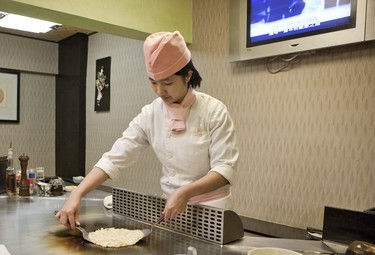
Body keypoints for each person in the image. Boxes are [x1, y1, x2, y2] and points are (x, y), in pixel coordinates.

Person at [56, 31, 238, 229]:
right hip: (171, 207)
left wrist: (185, 192)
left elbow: (224, 170)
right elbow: (114, 157)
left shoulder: (213, 111)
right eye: (153, 82)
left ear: (188, 75)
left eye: (168, 83)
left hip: (212, 210)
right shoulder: (151, 113)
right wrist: (77, 193)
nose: (160, 91)